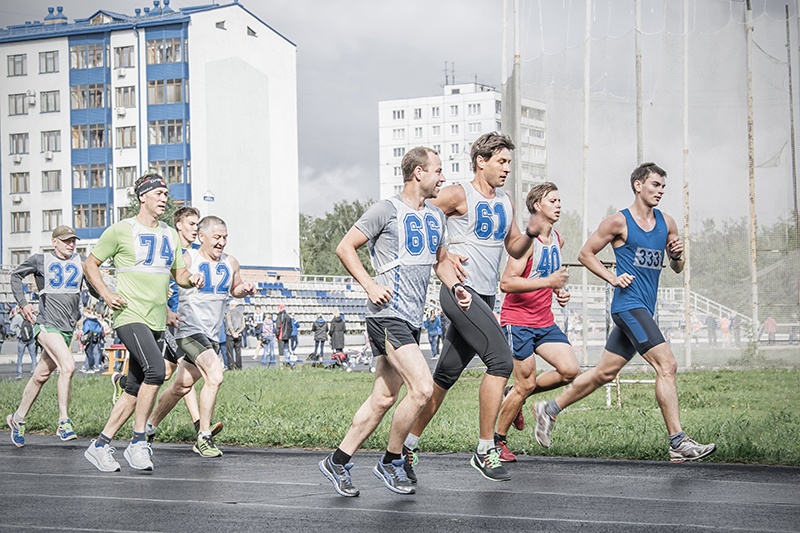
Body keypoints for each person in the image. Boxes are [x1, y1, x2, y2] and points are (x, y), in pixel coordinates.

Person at [532, 162, 716, 464]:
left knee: (604, 373)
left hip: (645, 308)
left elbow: (676, 267)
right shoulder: (618, 222)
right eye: (655, 185)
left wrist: (678, 257)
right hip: (628, 306)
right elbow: (585, 254)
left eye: (663, 187)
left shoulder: (667, 223)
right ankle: (677, 441)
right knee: (667, 366)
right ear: (638, 185)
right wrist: (612, 277)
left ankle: (549, 409)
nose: (660, 191)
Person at [318, 146, 471, 497]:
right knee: (422, 388)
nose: (442, 178)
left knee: (383, 399)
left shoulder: (435, 216)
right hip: (387, 315)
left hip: (411, 318)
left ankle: (337, 461)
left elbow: (442, 262)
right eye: (438, 171)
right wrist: (370, 284)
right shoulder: (385, 210)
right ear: (418, 172)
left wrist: (457, 287)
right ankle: (391, 460)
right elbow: (345, 247)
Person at [403, 132, 544, 483]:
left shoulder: (506, 200)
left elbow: (513, 247)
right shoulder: (458, 194)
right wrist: (444, 252)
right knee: (500, 361)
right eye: (501, 161)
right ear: (481, 162)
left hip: (485, 296)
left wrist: (530, 231)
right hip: (459, 291)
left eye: (509, 162)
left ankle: (405, 446)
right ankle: (485, 450)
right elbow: (420, 211)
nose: (507, 168)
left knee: (444, 376)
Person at [83, 173, 201, 472]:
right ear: (143, 197)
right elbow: (90, 264)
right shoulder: (122, 230)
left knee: (134, 388)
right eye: (158, 193)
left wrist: (192, 279)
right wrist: (106, 293)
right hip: (129, 315)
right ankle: (138, 441)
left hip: (156, 320)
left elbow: (180, 276)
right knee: (157, 370)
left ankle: (100, 445)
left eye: (166, 193)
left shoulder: (170, 235)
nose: (164, 198)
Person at [146, 216, 255, 458]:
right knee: (215, 376)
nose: (222, 242)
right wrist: (167, 310)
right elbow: (162, 284)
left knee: (180, 386)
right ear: (202, 237)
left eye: (225, 237)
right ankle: (203, 436)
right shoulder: (188, 259)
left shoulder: (231, 262)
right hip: (189, 331)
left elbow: (235, 289)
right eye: (217, 237)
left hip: (212, 336)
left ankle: (148, 427)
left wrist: (244, 290)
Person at [494, 182, 578, 462]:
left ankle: (513, 395)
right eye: (553, 200)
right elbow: (506, 283)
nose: (559, 205)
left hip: (544, 321)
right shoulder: (527, 244)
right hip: (518, 322)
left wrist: (559, 291)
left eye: (560, 200)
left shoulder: (558, 240)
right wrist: (549, 282)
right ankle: (498, 442)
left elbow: (549, 274)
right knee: (526, 385)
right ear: (537, 206)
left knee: (569, 370)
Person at [6, 226, 86, 447]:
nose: (70, 244)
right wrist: (23, 305)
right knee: (68, 366)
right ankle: (63, 421)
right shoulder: (40, 260)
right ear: (54, 242)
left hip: (67, 329)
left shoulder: (80, 262)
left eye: (73, 241)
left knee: (40, 376)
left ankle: (18, 418)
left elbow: (95, 288)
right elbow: (15, 276)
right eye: (66, 241)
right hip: (46, 326)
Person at [80, 308, 105, 373]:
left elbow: (85, 330)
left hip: (89, 338)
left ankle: (89, 367)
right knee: (96, 353)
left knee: (89, 352)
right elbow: (100, 329)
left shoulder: (87, 321)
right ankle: (96, 366)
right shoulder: (97, 321)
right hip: (97, 338)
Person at [15, 310, 37, 378]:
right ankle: (34, 371)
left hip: (22, 339)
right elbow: (36, 324)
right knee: (33, 356)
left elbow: (12, 327)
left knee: (20, 356)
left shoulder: (18, 317)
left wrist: (18, 333)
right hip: (31, 339)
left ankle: (19, 373)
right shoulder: (32, 316)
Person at [224, 301, 245, 370]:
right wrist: (238, 332)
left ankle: (231, 366)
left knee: (229, 352)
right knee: (238, 352)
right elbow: (243, 325)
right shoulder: (241, 313)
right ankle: (239, 366)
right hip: (239, 335)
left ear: (232, 305)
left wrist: (233, 332)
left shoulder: (229, 313)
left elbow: (229, 323)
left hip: (230, 335)